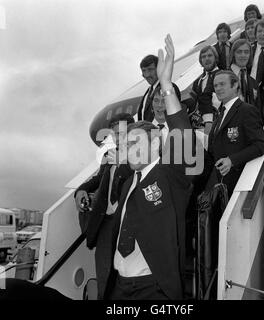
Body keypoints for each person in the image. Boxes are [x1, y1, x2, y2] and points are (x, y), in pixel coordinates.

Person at [103, 34, 196, 300]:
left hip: (153, 288)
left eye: (136, 142)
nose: (129, 148)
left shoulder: (170, 175)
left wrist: (166, 84)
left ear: (156, 143)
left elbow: (182, 133)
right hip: (119, 286)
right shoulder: (126, 184)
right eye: (127, 143)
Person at [74, 112, 135, 299]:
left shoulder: (141, 155)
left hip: (129, 225)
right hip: (107, 224)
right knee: (104, 276)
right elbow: (99, 179)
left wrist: (122, 162)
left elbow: (137, 179)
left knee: (127, 278)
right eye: (115, 133)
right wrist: (81, 190)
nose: (118, 137)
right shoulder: (109, 155)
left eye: (123, 132)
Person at [206, 70, 264, 197]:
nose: (218, 88)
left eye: (222, 84)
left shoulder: (246, 111)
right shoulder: (219, 115)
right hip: (220, 185)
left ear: (235, 86)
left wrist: (232, 160)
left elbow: (260, 145)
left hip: (239, 183)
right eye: (216, 85)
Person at [186, 46, 221, 135]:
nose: (207, 59)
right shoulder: (197, 81)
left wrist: (209, 121)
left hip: (218, 125)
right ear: (201, 60)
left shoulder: (223, 76)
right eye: (203, 56)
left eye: (210, 55)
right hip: (199, 127)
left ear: (215, 58)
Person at [137, 54, 181, 122]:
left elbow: (175, 115)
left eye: (150, 69)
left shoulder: (169, 88)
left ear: (159, 69)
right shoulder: (148, 92)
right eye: (144, 71)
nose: (147, 75)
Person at [229, 39, 257, 105]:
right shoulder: (223, 77)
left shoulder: (253, 81)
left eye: (246, 52)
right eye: (239, 52)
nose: (243, 55)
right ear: (233, 54)